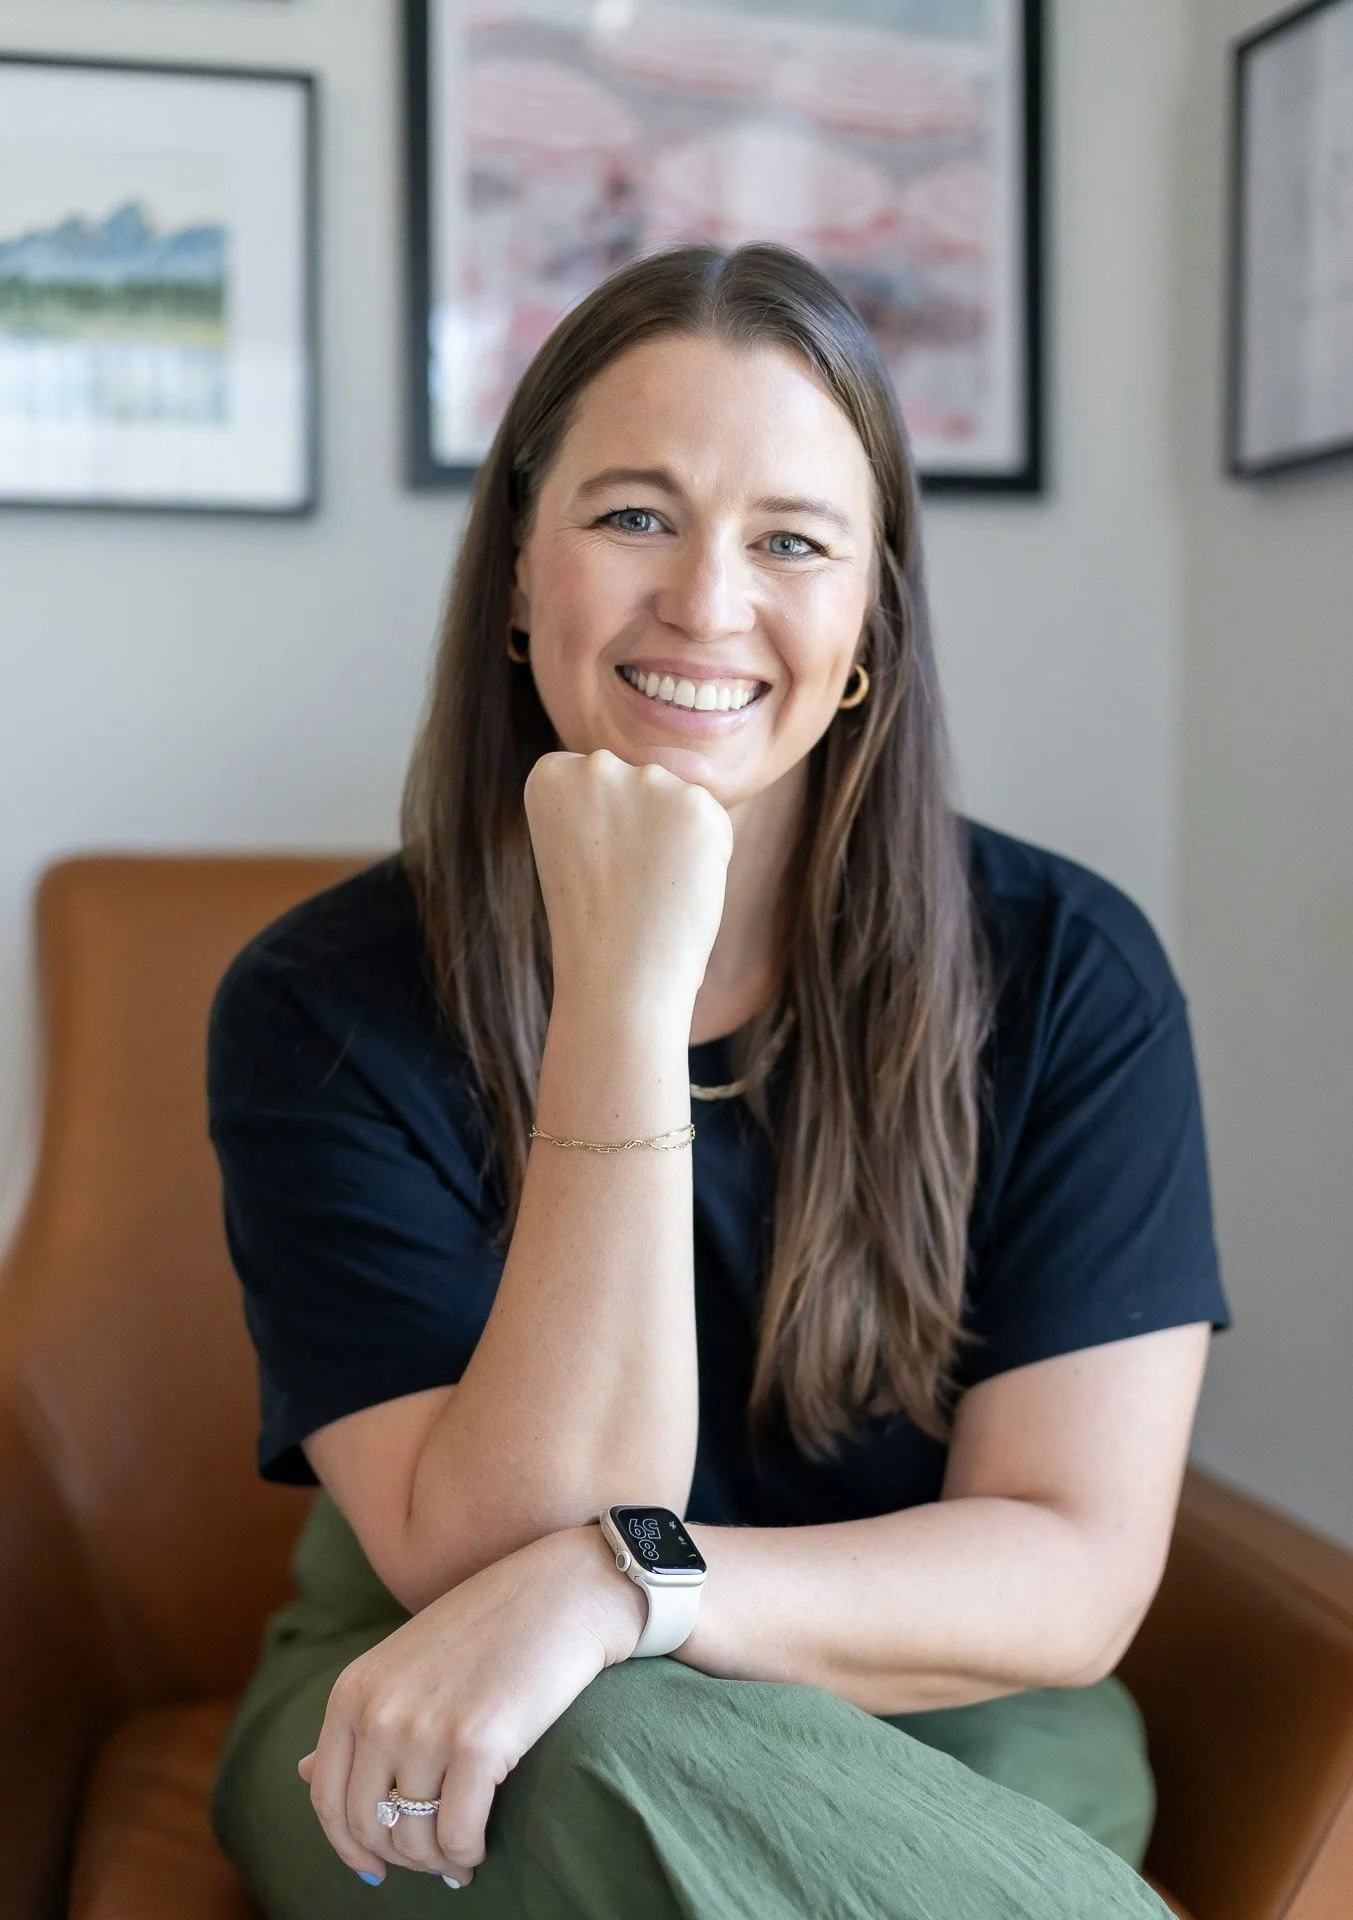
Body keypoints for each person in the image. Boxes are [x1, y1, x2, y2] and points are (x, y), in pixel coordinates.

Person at [207, 243, 1229, 1919]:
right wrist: (623, 983)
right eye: (632, 516)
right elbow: (484, 1563)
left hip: (933, 1689)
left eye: (792, 541)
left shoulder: (1067, 970)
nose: (706, 599)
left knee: (713, 1754)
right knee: (598, 1753)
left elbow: (1067, 1571)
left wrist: (635, 1591)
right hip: (433, 1682)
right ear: (520, 576)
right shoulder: (321, 1004)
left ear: (865, 633)